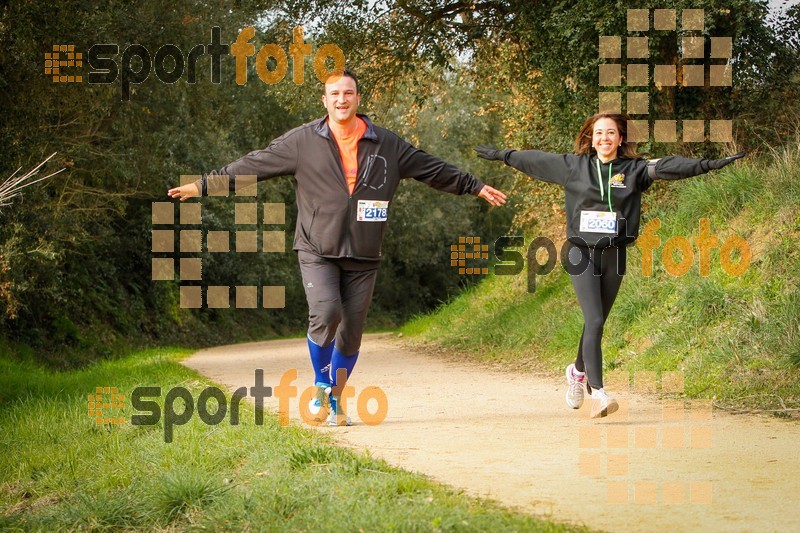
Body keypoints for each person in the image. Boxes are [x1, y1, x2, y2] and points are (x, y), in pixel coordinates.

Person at [169, 69, 507, 426]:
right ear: (325, 101)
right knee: (327, 312)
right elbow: (254, 164)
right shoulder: (303, 141)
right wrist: (202, 186)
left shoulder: (387, 145)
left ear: (358, 99)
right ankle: (321, 384)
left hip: (364, 253)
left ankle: (337, 396)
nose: (341, 100)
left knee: (352, 331)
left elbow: (430, 168)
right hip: (317, 248)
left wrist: (474, 185)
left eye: (348, 93)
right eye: (334, 94)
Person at [475, 113, 745, 418]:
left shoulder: (634, 171)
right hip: (580, 253)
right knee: (595, 321)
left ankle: (577, 372)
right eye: (598, 133)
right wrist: (504, 155)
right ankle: (598, 393)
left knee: (597, 319)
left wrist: (708, 165)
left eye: (610, 133)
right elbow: (535, 160)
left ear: (620, 138)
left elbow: (668, 166)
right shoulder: (573, 167)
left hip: (614, 254)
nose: (604, 138)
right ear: (591, 137)